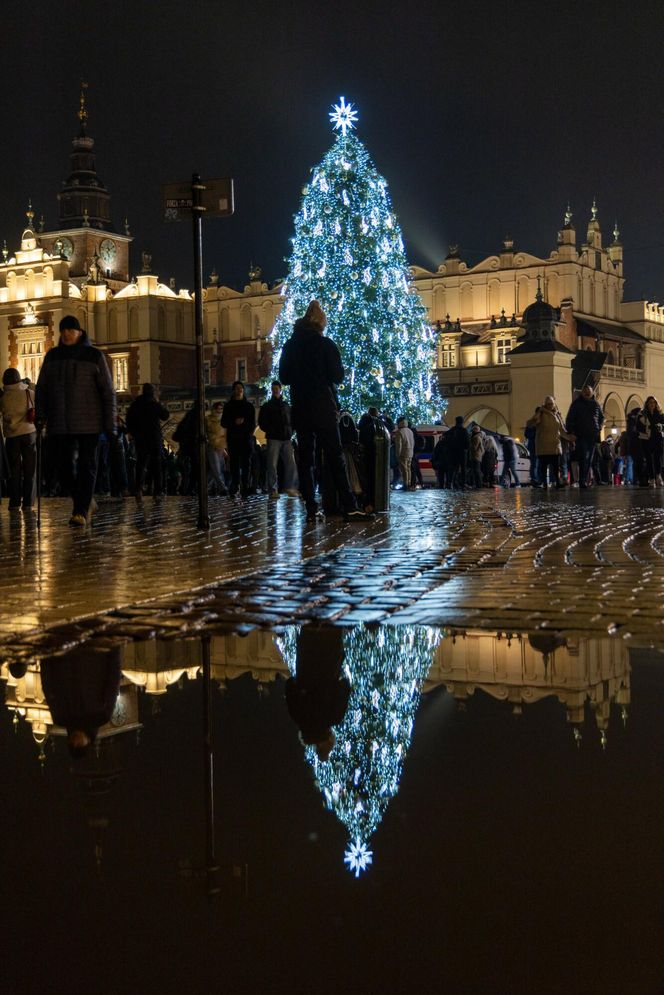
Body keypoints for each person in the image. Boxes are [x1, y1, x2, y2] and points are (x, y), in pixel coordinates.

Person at [279, 300, 372, 523]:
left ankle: (311, 508)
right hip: (323, 406)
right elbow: (337, 376)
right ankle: (349, 506)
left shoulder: (290, 345)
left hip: (301, 407)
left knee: (306, 459)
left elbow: (284, 377)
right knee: (335, 456)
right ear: (320, 323)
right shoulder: (325, 344)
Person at [35, 315, 116, 526]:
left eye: (71, 330)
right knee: (63, 467)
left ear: (80, 332)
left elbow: (107, 392)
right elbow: (41, 388)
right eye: (63, 330)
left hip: (89, 421)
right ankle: (85, 500)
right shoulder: (52, 356)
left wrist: (110, 423)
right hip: (60, 422)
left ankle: (80, 511)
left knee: (87, 466)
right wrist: (41, 414)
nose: (66, 334)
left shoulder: (94, 355)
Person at [40, 645, 122, 758]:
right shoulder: (101, 716)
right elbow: (113, 681)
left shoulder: (60, 718)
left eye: (71, 744)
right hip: (93, 653)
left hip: (63, 654)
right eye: (79, 745)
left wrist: (45, 656)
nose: (75, 742)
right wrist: (114, 650)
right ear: (88, 742)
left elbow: (47, 685)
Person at [285, 624, 351, 762]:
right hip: (306, 658)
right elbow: (289, 684)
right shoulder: (298, 716)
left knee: (332, 622)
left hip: (329, 658)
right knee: (312, 622)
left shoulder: (333, 717)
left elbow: (344, 685)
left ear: (327, 741)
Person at [125, 383, 169, 502]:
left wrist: (133, 433)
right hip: (154, 437)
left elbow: (128, 420)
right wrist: (158, 402)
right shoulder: (153, 404)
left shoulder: (135, 405)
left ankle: (138, 489)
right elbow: (165, 415)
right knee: (156, 465)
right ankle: (158, 491)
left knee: (141, 464)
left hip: (141, 438)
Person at [0, 368, 37, 510]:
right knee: (30, 470)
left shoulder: (3, 398)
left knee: (14, 471)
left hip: (11, 436)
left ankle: (14, 501)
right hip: (29, 433)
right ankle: (28, 502)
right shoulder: (29, 393)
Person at [258, 380, 299, 499]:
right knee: (272, 464)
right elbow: (262, 422)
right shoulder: (267, 406)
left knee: (290, 463)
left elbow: (292, 420)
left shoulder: (286, 405)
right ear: (272, 390)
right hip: (274, 438)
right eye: (274, 389)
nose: (275, 390)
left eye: (277, 389)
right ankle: (272, 489)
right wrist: (271, 429)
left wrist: (291, 431)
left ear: (280, 390)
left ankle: (290, 487)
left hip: (286, 438)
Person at [528, 396, 574, 488]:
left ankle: (557, 482)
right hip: (543, 445)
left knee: (556, 465)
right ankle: (544, 482)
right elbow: (531, 423)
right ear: (545, 404)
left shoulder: (557, 415)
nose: (550, 405)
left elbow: (561, 430)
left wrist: (570, 438)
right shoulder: (541, 413)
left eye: (552, 403)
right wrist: (539, 412)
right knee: (543, 466)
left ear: (554, 404)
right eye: (548, 404)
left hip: (555, 444)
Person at [221, 381, 256, 501]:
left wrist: (244, 425)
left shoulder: (249, 406)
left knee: (246, 464)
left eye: (241, 388)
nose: (239, 390)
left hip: (245, 439)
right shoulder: (228, 406)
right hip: (233, 439)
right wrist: (234, 423)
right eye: (237, 388)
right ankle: (235, 485)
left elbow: (252, 424)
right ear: (234, 390)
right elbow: (223, 422)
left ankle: (245, 486)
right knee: (234, 464)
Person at [565, 385, 604, 489]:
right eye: (586, 391)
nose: (587, 393)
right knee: (583, 458)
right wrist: (571, 432)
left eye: (589, 392)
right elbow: (569, 419)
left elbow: (601, 417)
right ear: (582, 392)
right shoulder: (576, 404)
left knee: (589, 459)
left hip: (592, 436)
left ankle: (584, 480)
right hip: (581, 435)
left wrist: (599, 427)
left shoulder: (596, 404)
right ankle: (582, 481)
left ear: (592, 393)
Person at [636, 395, 664, 486]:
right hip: (646, 439)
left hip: (657, 438)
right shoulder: (642, 415)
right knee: (648, 459)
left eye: (654, 402)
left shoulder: (660, 414)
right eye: (650, 402)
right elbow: (638, 427)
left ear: (656, 404)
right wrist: (649, 427)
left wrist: (660, 426)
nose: (652, 404)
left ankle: (658, 477)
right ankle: (651, 479)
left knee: (657, 459)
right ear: (647, 404)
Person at [205, 401, 228, 496]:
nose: (219, 410)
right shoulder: (208, 419)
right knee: (216, 469)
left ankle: (206, 488)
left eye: (221, 408)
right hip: (212, 446)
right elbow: (208, 433)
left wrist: (224, 448)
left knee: (214, 470)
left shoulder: (225, 420)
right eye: (217, 408)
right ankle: (223, 488)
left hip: (221, 447)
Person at [445, 415, 469, 489]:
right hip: (461, 452)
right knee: (463, 468)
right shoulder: (464, 430)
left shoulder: (451, 430)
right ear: (462, 422)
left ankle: (450, 482)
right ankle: (463, 483)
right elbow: (467, 442)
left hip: (453, 452)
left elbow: (446, 438)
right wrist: (466, 448)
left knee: (452, 468)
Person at [394, 417, 415, 490]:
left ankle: (405, 484)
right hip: (410, 452)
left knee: (404, 469)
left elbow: (399, 445)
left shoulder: (399, 432)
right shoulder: (410, 431)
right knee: (408, 469)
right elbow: (413, 442)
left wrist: (397, 454)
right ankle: (409, 483)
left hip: (403, 453)